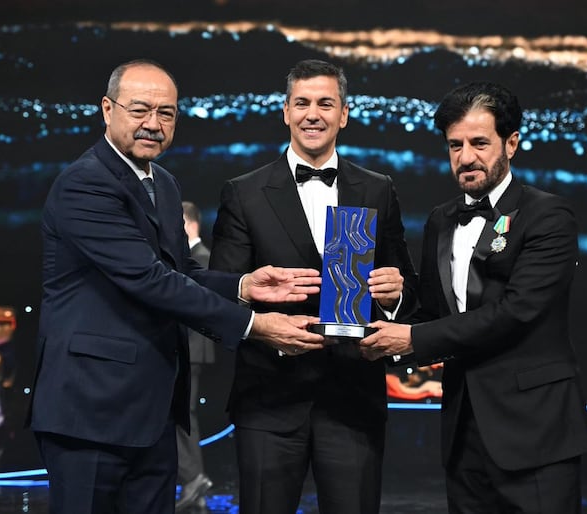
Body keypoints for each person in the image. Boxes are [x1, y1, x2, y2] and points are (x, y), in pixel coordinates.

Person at [27, 58, 326, 514]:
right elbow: (149, 280)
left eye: (165, 113)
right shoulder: (84, 184)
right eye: (140, 110)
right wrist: (254, 325)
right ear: (107, 109)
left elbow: (181, 270)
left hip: (153, 412)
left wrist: (245, 285)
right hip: (89, 411)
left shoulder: (163, 184)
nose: (153, 123)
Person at [359, 81, 587, 513]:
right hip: (463, 432)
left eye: (479, 143)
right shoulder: (440, 220)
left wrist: (412, 339)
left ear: (511, 143)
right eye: (455, 145)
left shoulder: (548, 215)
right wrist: (392, 308)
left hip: (535, 430)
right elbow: (433, 312)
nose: (466, 157)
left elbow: (515, 313)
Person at [208, 59, 418, 514]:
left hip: (352, 400)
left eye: (325, 103)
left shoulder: (378, 189)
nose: (313, 114)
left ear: (344, 114)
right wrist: (264, 324)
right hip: (268, 399)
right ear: (285, 111)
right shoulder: (243, 192)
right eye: (302, 103)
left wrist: (395, 296)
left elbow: (407, 291)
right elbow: (221, 292)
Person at [175, 201, 214, 513]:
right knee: (182, 414)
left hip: (190, 346)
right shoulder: (194, 257)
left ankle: (192, 477)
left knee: (178, 414)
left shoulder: (200, 258)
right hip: (188, 347)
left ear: (189, 224)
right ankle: (193, 482)